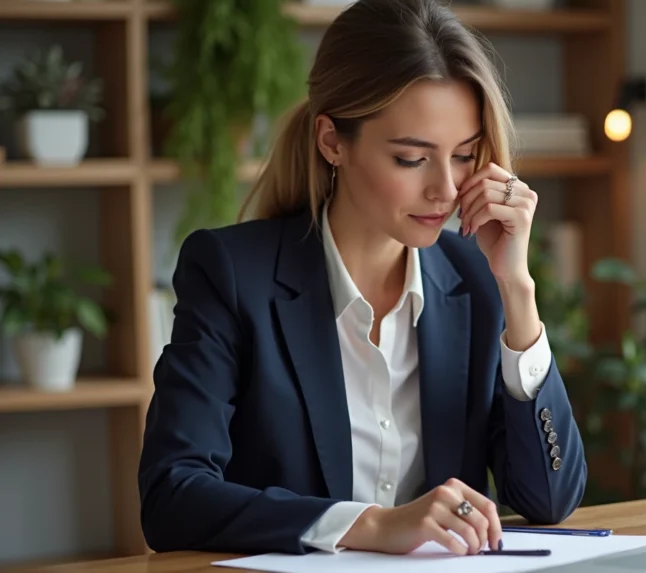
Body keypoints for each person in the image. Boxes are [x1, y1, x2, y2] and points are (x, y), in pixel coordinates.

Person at [137, 0, 587, 558]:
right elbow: (171, 497)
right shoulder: (232, 274)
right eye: (410, 159)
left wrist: (518, 291)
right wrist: (371, 525)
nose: (446, 189)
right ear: (332, 142)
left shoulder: (473, 277)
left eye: (465, 156)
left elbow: (549, 499)